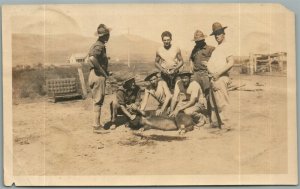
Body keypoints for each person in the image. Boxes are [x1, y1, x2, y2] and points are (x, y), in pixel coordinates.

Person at [207, 22, 234, 128]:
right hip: (214, 78)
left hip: (220, 78)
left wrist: (218, 74)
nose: (217, 36)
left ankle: (226, 126)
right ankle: (215, 124)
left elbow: (231, 62)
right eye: (215, 34)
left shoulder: (227, 46)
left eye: (219, 33)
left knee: (222, 103)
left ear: (223, 33)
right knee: (214, 104)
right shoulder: (217, 48)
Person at [87, 24, 111, 132]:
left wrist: (106, 71)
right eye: (107, 34)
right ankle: (96, 126)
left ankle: (96, 124)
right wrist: (102, 71)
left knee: (97, 100)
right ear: (105, 35)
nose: (108, 36)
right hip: (97, 75)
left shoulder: (99, 45)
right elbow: (92, 58)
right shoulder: (99, 46)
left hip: (95, 74)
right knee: (98, 101)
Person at [189, 30, 215, 111]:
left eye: (199, 41)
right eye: (196, 41)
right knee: (195, 94)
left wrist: (209, 63)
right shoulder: (194, 49)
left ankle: (210, 114)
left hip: (205, 74)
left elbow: (217, 60)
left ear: (203, 40)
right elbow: (191, 59)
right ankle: (198, 113)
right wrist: (191, 67)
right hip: (196, 74)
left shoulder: (210, 49)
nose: (197, 43)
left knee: (208, 94)